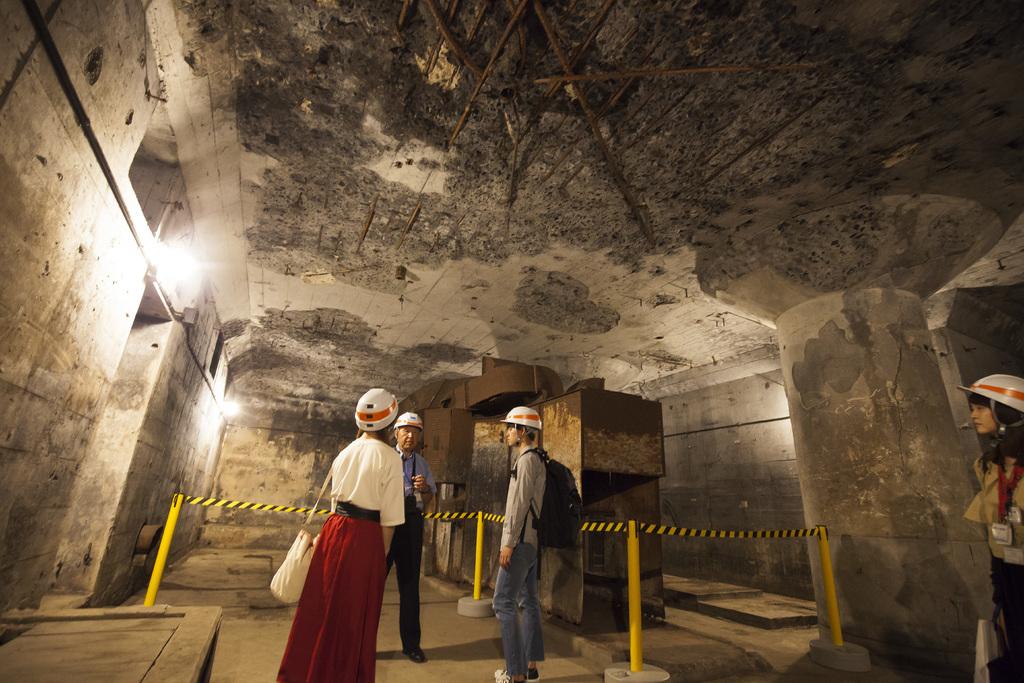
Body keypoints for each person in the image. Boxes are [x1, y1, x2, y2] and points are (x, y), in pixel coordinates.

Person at [278, 388, 405, 683]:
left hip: (334, 529)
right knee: (354, 615)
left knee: (321, 608)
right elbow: (389, 520)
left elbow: (336, 503)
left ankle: (306, 672)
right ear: (390, 422)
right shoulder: (389, 457)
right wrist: (379, 557)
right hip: (365, 538)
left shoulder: (345, 452)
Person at [962, 374, 1024, 682]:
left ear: (1009, 412)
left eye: (981, 407)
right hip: (1007, 571)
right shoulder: (988, 466)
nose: (973, 415)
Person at [493, 407, 546, 683]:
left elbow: (519, 504)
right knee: (529, 602)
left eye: (511, 427)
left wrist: (508, 543)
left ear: (523, 432)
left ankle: (515, 674)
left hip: (521, 542)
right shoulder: (538, 459)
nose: (508, 432)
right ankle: (531, 668)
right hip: (532, 543)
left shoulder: (526, 461)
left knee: (503, 602)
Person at [386, 411, 436, 663]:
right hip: (386, 524)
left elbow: (428, 500)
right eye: (405, 431)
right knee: (373, 584)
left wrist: (424, 489)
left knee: (410, 587)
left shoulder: (423, 464)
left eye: (414, 432)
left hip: (411, 525)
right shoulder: (384, 458)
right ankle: (359, 642)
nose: (409, 436)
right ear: (395, 433)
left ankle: (411, 645)